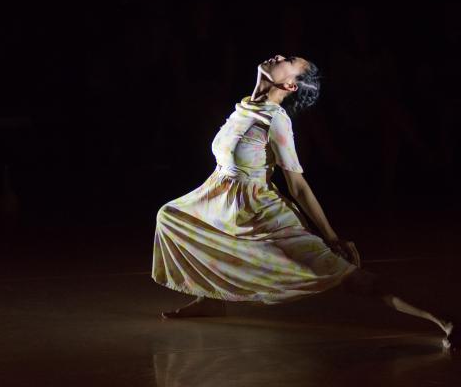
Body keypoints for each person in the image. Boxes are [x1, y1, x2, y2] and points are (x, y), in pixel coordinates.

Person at [151, 54, 458, 350]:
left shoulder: (276, 120)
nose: (279, 56)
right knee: (171, 216)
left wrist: (331, 237)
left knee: (355, 280)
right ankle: (211, 301)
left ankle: (444, 320)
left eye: (289, 62)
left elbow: (297, 185)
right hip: (222, 203)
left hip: (262, 216)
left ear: (290, 86)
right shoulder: (245, 107)